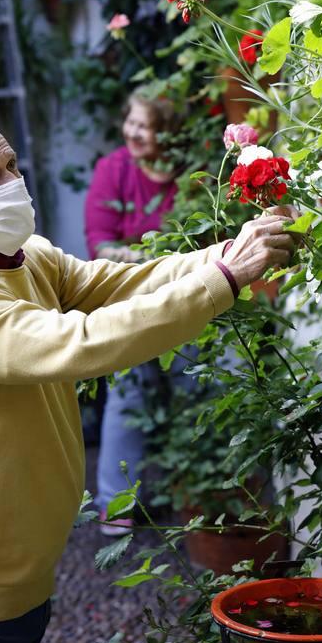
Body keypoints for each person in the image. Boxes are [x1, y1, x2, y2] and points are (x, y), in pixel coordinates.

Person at [0, 115, 297, 643]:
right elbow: (84, 341)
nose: (11, 183)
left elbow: (123, 283)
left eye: (11, 165)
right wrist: (224, 278)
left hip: (15, 575)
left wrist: (231, 252)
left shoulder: (24, 257)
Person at [85, 90, 203, 534]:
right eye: (130, 122)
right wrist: (155, 262)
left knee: (197, 391)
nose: (133, 132)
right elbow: (101, 245)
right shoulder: (112, 170)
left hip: (188, 300)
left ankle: (199, 493)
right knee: (130, 396)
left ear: (168, 131)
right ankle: (116, 505)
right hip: (130, 302)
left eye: (145, 125)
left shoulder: (193, 174)